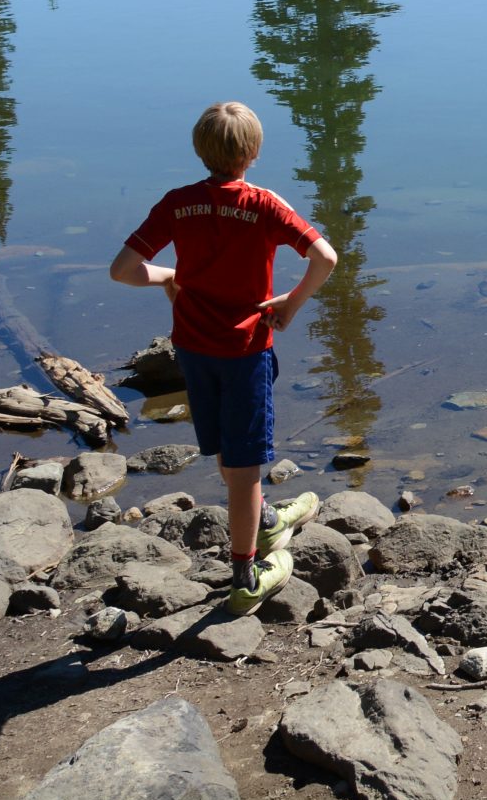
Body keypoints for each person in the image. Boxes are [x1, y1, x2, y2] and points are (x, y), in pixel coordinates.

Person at [108, 101, 338, 613]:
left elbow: (122, 270)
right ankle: (246, 573)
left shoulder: (178, 202)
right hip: (245, 350)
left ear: (199, 149)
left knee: (225, 452)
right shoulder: (263, 204)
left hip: (192, 348)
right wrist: (292, 304)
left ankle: (263, 520)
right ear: (253, 153)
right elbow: (325, 257)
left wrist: (169, 276)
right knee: (248, 464)